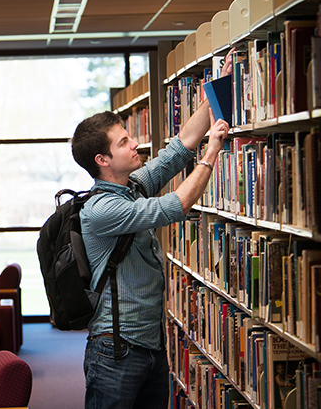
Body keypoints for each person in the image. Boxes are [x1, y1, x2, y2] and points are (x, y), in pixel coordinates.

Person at [71, 50, 234, 409]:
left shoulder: (133, 186)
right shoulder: (103, 209)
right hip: (115, 350)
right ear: (102, 160)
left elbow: (178, 149)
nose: (135, 144)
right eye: (123, 142)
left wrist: (217, 93)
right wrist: (211, 155)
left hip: (150, 344)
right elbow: (175, 205)